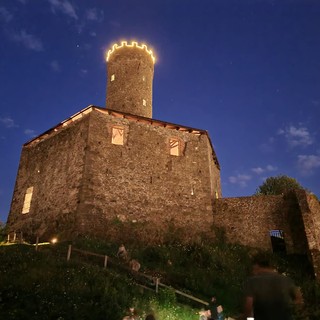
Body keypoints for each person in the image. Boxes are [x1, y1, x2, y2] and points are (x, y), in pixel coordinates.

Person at [243, 252, 303, 320]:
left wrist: (248, 319)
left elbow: (249, 306)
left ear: (256, 265)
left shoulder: (252, 281)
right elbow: (299, 300)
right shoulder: (286, 279)